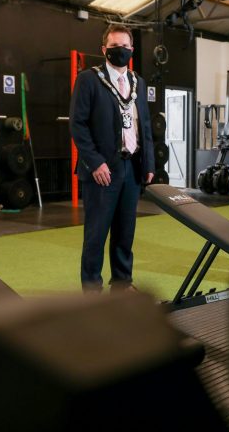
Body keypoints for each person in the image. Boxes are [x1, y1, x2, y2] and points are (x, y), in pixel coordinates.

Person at [69, 24, 155, 293]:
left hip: (132, 167)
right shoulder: (88, 80)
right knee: (96, 234)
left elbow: (146, 125)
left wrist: (149, 163)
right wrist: (94, 162)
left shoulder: (137, 82)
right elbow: (78, 124)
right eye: (115, 46)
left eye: (126, 46)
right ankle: (92, 290)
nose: (121, 51)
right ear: (104, 49)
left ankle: (122, 283)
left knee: (125, 231)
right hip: (102, 171)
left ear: (132, 50)